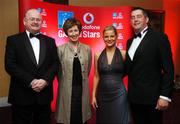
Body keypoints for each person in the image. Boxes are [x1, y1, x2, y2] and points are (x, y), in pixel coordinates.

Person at [4, 9, 59, 124]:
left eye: (38, 19)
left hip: (44, 95)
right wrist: (31, 81)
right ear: (25, 21)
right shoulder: (13, 40)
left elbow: (55, 63)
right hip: (21, 95)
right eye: (32, 19)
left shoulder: (50, 41)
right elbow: (10, 65)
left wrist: (45, 80)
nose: (35, 22)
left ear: (42, 22)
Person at [125, 7, 174, 124]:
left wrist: (164, 96)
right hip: (134, 98)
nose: (135, 20)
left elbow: (169, 69)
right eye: (132, 17)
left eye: (138, 16)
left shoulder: (159, 37)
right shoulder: (129, 42)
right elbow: (130, 68)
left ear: (146, 19)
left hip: (153, 98)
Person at [55, 18, 92, 124]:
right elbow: (58, 72)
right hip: (66, 90)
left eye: (76, 30)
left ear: (79, 31)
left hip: (81, 89)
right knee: (67, 117)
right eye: (70, 31)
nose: (73, 33)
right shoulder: (60, 49)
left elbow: (88, 69)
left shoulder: (87, 49)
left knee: (80, 117)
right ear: (66, 33)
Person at [92, 25, 130, 124]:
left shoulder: (124, 54)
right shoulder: (97, 55)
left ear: (117, 36)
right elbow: (96, 76)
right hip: (102, 94)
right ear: (103, 38)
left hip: (119, 94)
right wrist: (93, 96)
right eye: (106, 36)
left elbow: (129, 72)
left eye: (112, 36)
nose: (109, 39)